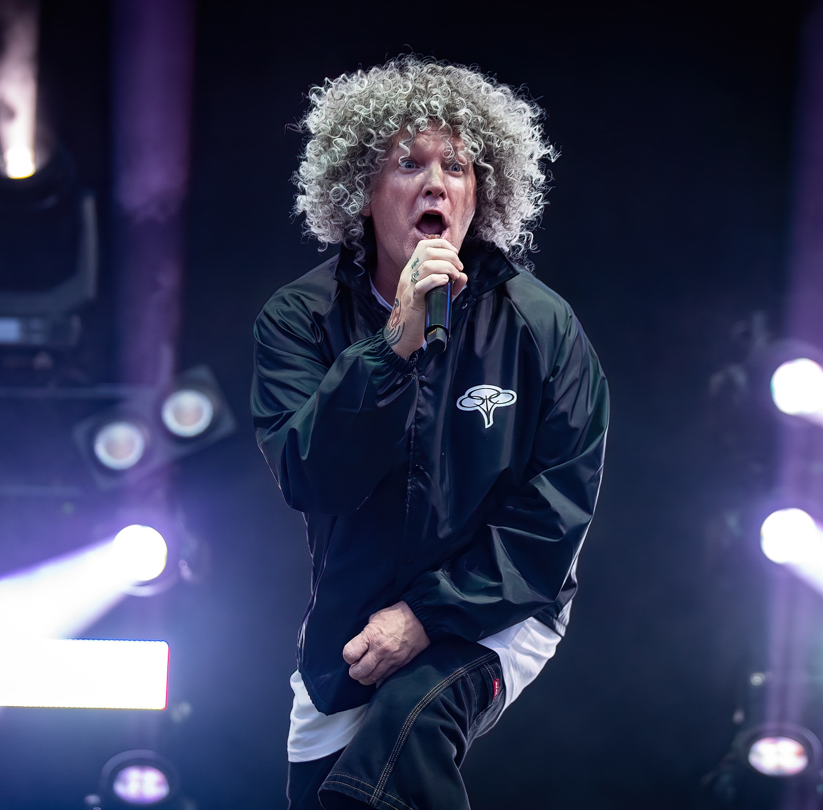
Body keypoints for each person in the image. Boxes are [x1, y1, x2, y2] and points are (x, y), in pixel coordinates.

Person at [251, 55, 609, 810]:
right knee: (329, 795)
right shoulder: (297, 318)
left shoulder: (541, 325)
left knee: (410, 728)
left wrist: (426, 616)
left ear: (483, 193)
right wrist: (393, 346)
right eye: (409, 163)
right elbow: (313, 477)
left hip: (498, 601)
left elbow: (555, 515)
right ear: (361, 189)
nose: (437, 183)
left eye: (458, 165)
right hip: (354, 617)